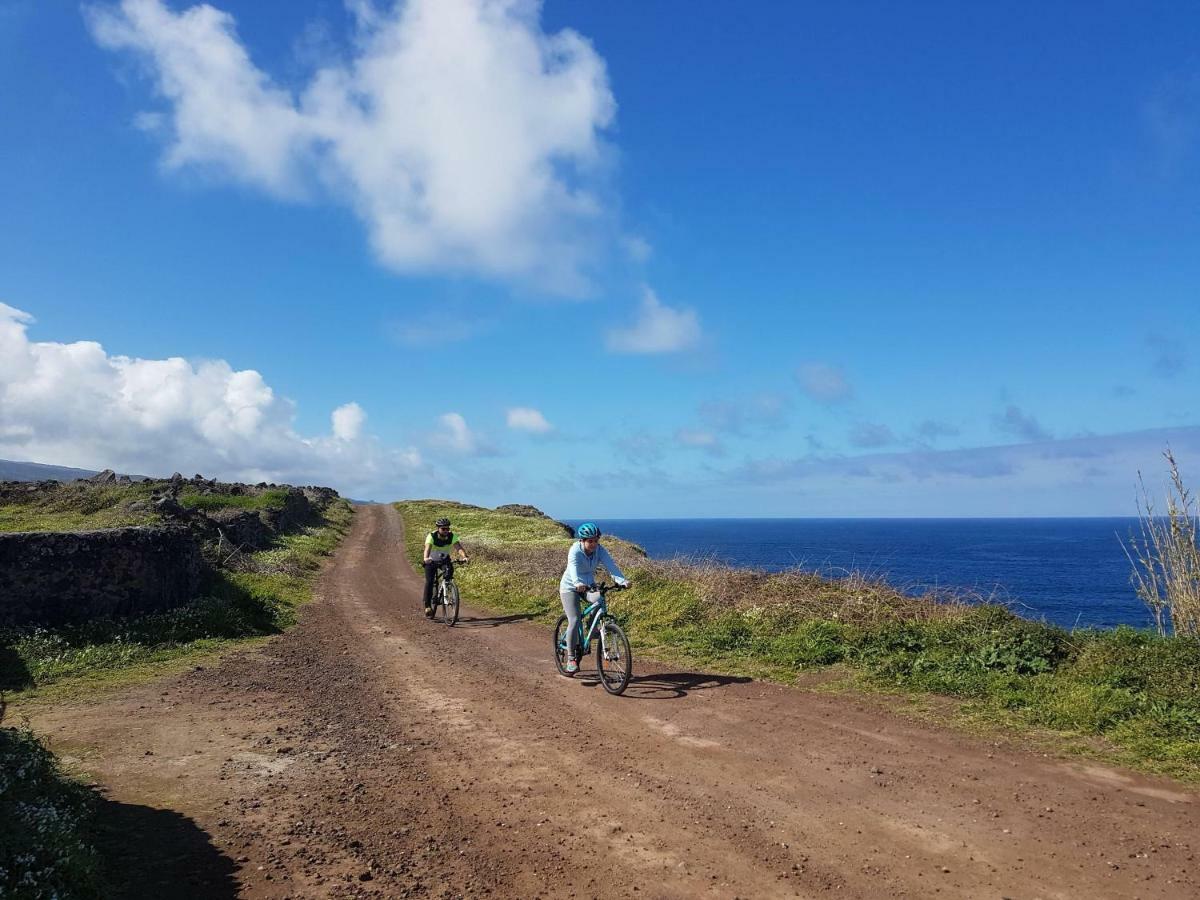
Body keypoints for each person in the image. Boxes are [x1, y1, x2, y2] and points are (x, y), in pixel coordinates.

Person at [558, 522, 629, 673]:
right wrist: (577, 583)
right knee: (575, 619)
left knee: (599, 599)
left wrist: (621, 581)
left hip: (588, 585)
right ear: (582, 540)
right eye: (590, 541)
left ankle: (591, 626)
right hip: (570, 587)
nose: (594, 544)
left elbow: (611, 566)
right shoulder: (575, 551)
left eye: (596, 540)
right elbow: (573, 568)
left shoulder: (599, 550)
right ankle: (571, 658)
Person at [423, 517, 468, 618]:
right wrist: (426, 558)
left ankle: (446, 589)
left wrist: (464, 556)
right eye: (443, 529)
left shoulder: (452, 536)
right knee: (430, 581)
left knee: (448, 575)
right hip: (431, 561)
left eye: (447, 529)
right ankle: (427, 606)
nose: (446, 531)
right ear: (438, 528)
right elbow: (427, 548)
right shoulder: (431, 536)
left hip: (444, 560)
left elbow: (458, 547)